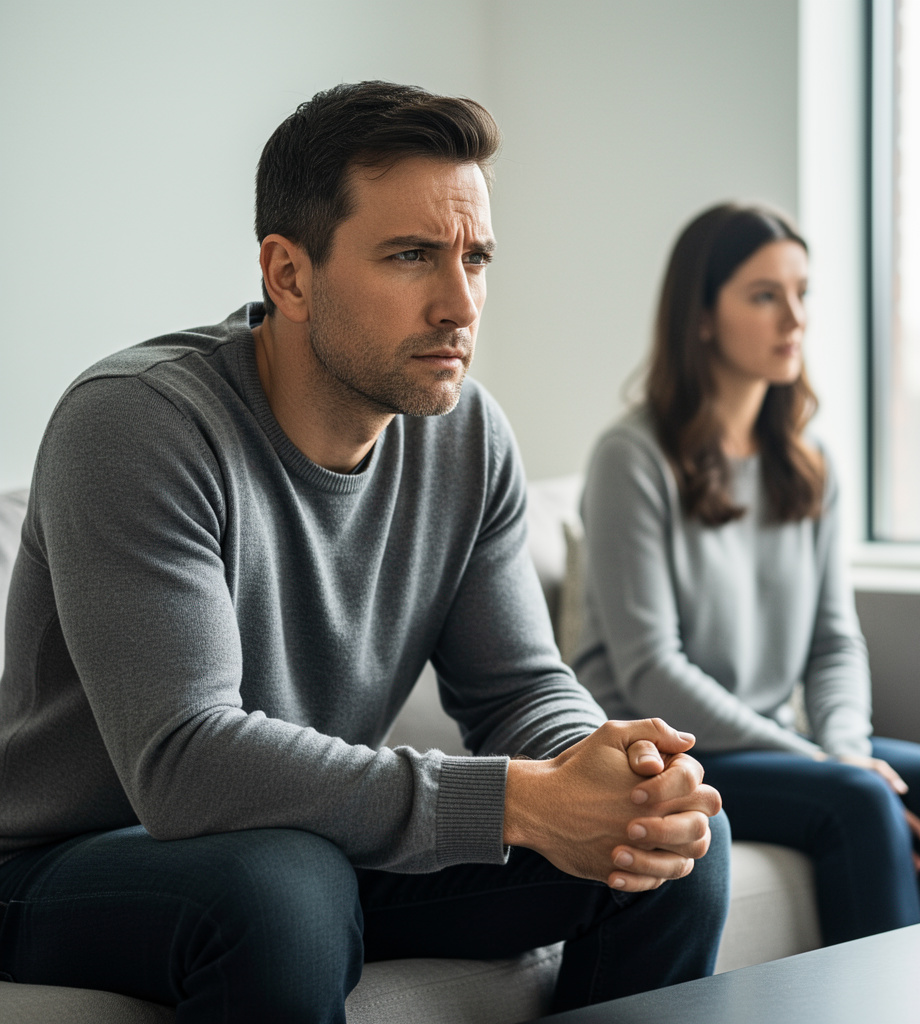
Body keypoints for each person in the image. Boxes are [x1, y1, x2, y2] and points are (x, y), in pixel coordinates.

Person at [0, 83, 729, 1021]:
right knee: (281, 886)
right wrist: (519, 800)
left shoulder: (467, 437)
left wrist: (604, 774)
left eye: (476, 258)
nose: (460, 304)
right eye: (412, 256)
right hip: (65, 860)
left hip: (304, 842)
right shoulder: (137, 424)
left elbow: (516, 688)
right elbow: (185, 761)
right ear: (289, 276)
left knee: (666, 850)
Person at [573, 201, 920, 947]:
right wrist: (828, 765)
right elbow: (651, 672)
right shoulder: (631, 458)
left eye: (802, 293)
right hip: (670, 754)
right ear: (701, 317)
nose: (795, 317)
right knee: (856, 800)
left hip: (778, 742)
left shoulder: (808, 462)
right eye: (765, 295)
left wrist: (846, 748)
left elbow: (834, 642)